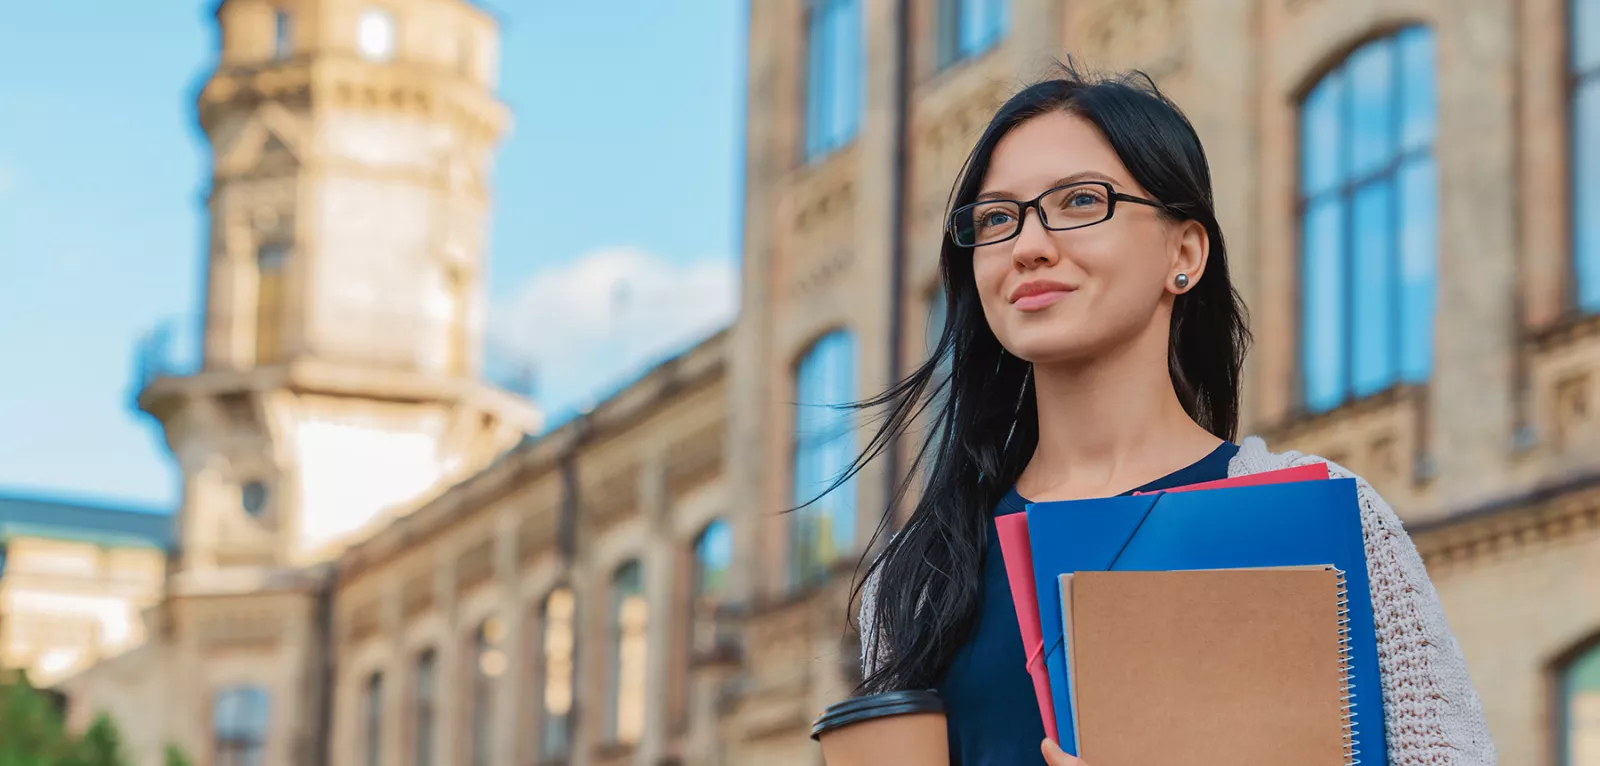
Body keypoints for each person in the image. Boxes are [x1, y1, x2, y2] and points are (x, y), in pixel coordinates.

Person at [836, 63, 1498, 766]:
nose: (1027, 245)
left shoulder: (1320, 519)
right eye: (998, 218)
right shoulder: (914, 579)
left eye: (1081, 201)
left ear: (1184, 253)